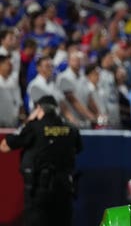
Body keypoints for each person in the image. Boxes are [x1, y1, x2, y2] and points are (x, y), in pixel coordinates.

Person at [0, 95, 83, 226]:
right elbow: (79, 148)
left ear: (39, 109)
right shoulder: (71, 128)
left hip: (39, 190)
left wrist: (27, 121)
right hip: (65, 189)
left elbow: (4, 146)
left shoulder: (34, 127)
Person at [0, 54, 25, 127]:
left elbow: (19, 102)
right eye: (8, 64)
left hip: (12, 122)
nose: (11, 67)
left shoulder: (14, 82)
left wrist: (23, 117)